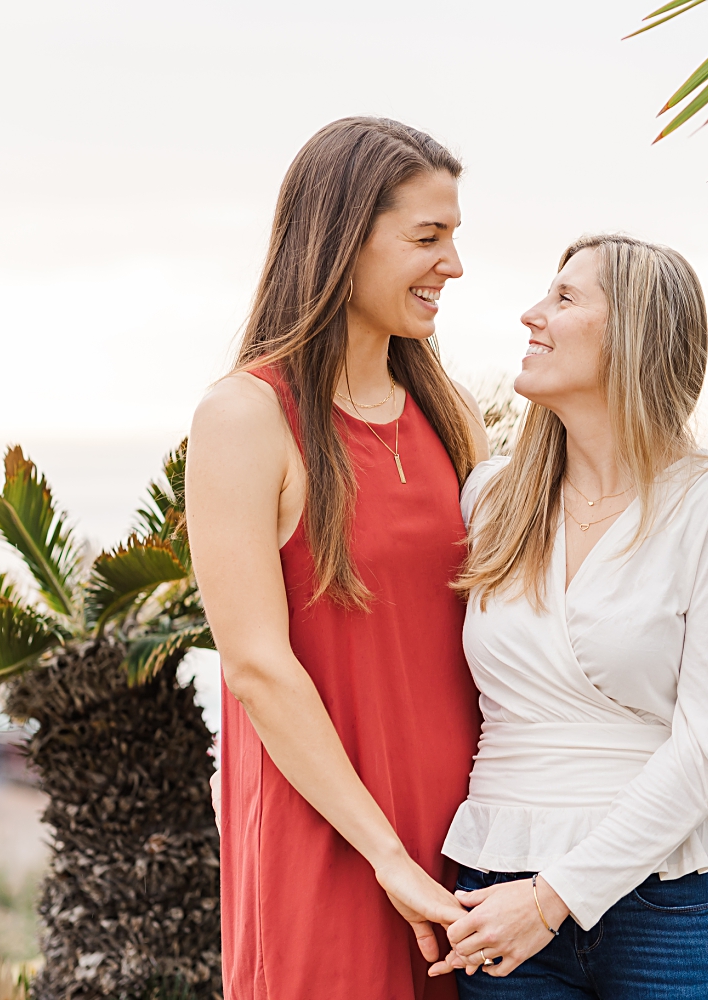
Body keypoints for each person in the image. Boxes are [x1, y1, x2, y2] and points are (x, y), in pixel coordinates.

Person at [436, 234, 708, 998]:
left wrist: (552, 898)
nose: (532, 314)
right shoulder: (492, 499)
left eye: (565, 298)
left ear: (635, 334)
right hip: (494, 887)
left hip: (671, 899)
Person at [185, 117, 490, 1000]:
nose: (453, 266)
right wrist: (388, 860)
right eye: (427, 238)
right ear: (343, 238)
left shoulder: (449, 413)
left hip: (467, 839)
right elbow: (255, 666)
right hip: (330, 838)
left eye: (455, 239)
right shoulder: (245, 416)